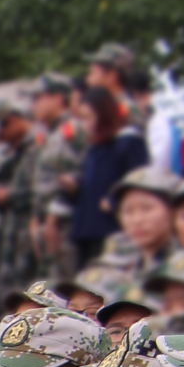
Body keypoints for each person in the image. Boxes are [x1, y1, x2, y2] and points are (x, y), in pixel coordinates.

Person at [72, 82, 149, 270]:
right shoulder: (95, 147)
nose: (85, 124)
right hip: (88, 229)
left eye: (88, 117)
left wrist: (115, 201)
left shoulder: (128, 142)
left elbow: (139, 181)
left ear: (103, 115)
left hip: (112, 230)